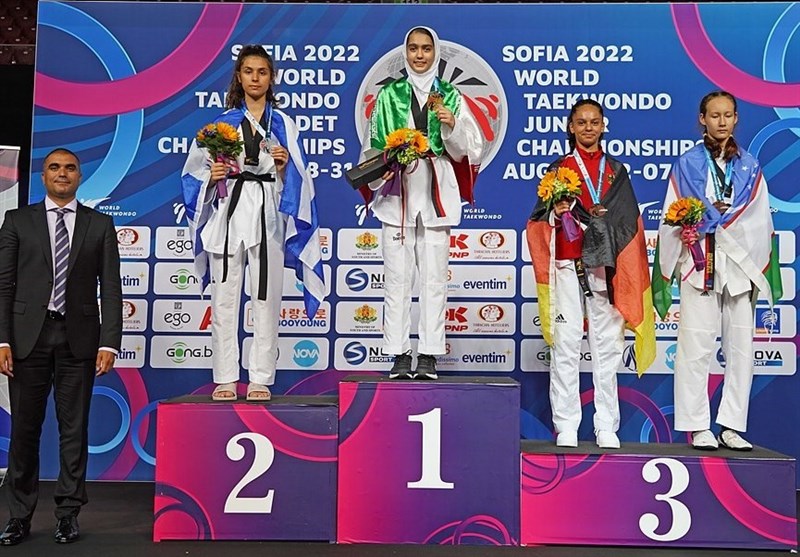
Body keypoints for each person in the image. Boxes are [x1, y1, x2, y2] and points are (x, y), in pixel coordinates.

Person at [181, 45, 325, 401]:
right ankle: (226, 378)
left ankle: (260, 376)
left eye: (262, 72)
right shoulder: (220, 126)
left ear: (271, 77)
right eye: (249, 71)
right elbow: (191, 173)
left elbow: (303, 180)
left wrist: (283, 167)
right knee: (225, 299)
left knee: (267, 298)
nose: (256, 78)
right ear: (239, 77)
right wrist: (211, 177)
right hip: (229, 213)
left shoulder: (284, 124)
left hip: (269, 216)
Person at [0, 148, 122, 545]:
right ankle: (19, 516)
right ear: (43, 176)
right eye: (54, 167)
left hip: (79, 341)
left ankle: (68, 514)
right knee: (24, 431)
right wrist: (2, 338)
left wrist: (110, 342)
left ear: (79, 176)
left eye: (70, 167)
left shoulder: (100, 225)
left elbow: (113, 291)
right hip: (27, 340)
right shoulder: (17, 221)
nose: (62, 174)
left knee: (74, 431)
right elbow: (4, 286)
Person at [652, 91, 781, 451]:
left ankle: (731, 425)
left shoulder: (750, 166)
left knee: (741, 348)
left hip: (739, 267)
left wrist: (723, 219)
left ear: (736, 119)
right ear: (702, 119)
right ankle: (698, 426)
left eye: (728, 115)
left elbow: (759, 217)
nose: (721, 121)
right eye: (714, 115)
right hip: (700, 265)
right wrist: (702, 222)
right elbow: (673, 211)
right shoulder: (686, 165)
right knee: (695, 348)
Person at [526, 99, 655, 449]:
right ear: (570, 127)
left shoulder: (616, 171)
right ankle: (566, 425)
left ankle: (606, 426)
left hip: (607, 270)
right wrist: (558, 213)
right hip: (567, 267)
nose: (587, 128)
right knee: (566, 346)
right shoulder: (558, 170)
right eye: (581, 122)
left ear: (603, 126)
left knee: (607, 350)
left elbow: (629, 223)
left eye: (594, 122)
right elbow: (538, 222)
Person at [360, 26, 484, 380]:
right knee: (397, 277)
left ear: (436, 53)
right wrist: (378, 171)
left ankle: (429, 351)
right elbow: (373, 144)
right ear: (405, 53)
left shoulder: (450, 94)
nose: (419, 55)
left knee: (433, 279)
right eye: (413, 49)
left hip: (436, 189)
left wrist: (452, 125)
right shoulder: (389, 95)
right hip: (397, 191)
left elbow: (469, 149)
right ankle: (398, 351)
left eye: (426, 49)